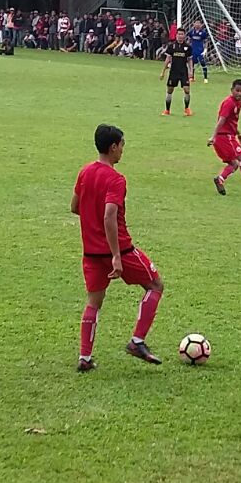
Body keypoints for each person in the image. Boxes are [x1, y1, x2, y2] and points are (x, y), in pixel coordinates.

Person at [70, 124, 164, 371]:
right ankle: (137, 341)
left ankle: (85, 358)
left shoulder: (85, 172)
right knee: (155, 285)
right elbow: (109, 216)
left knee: (93, 303)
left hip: (90, 253)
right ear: (113, 147)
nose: (123, 150)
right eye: (122, 145)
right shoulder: (116, 179)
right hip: (120, 250)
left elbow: (74, 206)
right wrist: (116, 257)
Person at [159, 38, 193, 116]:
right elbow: (167, 59)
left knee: (187, 90)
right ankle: (167, 110)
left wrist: (191, 71)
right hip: (173, 72)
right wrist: (163, 72)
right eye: (179, 34)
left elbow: (190, 60)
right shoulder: (171, 46)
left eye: (182, 34)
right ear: (177, 35)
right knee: (170, 90)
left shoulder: (188, 47)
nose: (180, 36)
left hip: (183, 72)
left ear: (184, 36)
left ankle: (187, 109)